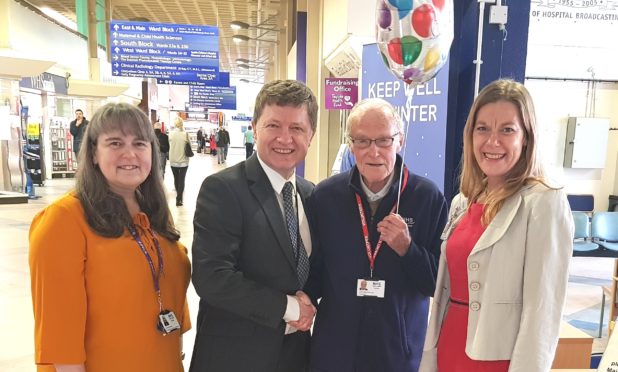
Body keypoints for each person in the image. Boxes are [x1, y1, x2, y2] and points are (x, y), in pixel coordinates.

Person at [419, 79, 574, 372]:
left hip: (497, 360)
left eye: (507, 129)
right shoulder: (463, 202)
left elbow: (542, 311)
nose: (492, 142)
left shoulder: (543, 203)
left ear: (526, 137)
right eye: (483, 129)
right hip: (451, 346)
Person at [29, 103, 191, 372]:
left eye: (140, 143)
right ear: (93, 153)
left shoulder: (156, 216)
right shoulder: (64, 220)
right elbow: (60, 337)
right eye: (115, 143)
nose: (130, 154)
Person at [304, 98, 448, 372]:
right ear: (350, 144)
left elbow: (437, 285)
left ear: (400, 141)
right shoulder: (325, 197)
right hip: (336, 351)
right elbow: (315, 271)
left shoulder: (427, 197)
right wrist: (303, 299)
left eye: (383, 141)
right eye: (362, 141)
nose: (374, 152)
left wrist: (408, 249)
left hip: (397, 352)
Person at [190, 80, 319, 372]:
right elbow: (212, 278)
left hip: (294, 355)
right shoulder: (223, 189)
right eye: (273, 125)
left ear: (311, 135)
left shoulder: (310, 194)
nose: (284, 138)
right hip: (235, 357)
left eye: (296, 128)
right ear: (255, 127)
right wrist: (289, 307)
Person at [169, 117, 190, 206]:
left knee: (176, 179)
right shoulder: (185, 134)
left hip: (173, 160)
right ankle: (179, 199)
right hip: (183, 161)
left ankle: (178, 196)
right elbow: (189, 145)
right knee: (181, 180)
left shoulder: (170, 134)